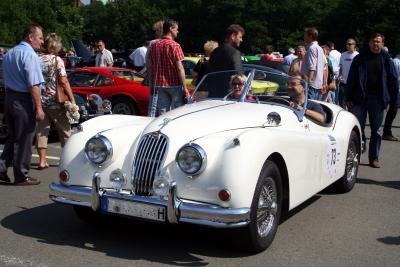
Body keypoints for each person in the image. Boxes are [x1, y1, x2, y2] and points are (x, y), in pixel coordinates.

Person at [0, 24, 45, 185]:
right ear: (30, 37)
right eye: (40, 38)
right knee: (25, 138)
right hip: (22, 100)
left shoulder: (9, 54)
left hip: (9, 98)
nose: (42, 42)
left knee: (13, 137)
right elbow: (33, 84)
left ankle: (2, 168)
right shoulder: (30, 55)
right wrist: (39, 108)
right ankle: (21, 175)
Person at [346, 33, 399, 168]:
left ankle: (374, 158)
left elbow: (393, 81)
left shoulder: (387, 60)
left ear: (382, 44)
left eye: (378, 42)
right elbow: (351, 78)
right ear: (369, 43)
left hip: (378, 99)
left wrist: (394, 102)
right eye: (374, 41)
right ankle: (357, 151)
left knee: (376, 131)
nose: (376, 44)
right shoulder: (360, 58)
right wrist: (349, 97)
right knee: (358, 127)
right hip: (360, 98)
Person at [36, 33, 77, 170]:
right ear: (54, 47)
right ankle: (67, 161)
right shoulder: (56, 60)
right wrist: (72, 99)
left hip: (40, 101)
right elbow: (64, 81)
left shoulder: (37, 59)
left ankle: (42, 161)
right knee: (65, 131)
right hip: (55, 102)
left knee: (42, 131)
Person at [147, 19, 189, 116]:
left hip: (159, 84)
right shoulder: (175, 46)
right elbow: (180, 68)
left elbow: (151, 66)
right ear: (171, 29)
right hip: (174, 84)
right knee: (177, 112)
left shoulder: (154, 45)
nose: (178, 31)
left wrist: (152, 82)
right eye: (176, 29)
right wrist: (185, 88)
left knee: (162, 112)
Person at [207, 24, 245, 98]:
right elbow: (238, 76)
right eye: (240, 37)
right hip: (228, 97)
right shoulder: (235, 53)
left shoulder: (214, 52)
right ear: (233, 36)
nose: (241, 40)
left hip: (212, 95)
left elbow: (209, 73)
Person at [300, 27, 326, 101]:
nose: (304, 37)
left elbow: (312, 68)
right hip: (318, 85)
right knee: (316, 108)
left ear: (310, 36)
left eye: (305, 35)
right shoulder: (320, 48)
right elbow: (324, 66)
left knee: (309, 108)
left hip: (311, 86)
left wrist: (307, 83)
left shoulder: (312, 49)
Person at [382, 51, 400, 141]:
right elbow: (394, 77)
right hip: (395, 90)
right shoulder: (396, 61)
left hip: (396, 90)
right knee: (393, 110)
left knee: (394, 110)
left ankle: (387, 131)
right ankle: (386, 132)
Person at [339, 38, 359, 108]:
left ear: (354, 45)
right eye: (347, 44)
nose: (348, 46)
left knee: (351, 104)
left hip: (353, 84)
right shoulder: (343, 55)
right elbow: (341, 67)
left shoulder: (357, 55)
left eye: (350, 44)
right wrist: (340, 75)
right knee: (341, 102)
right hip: (343, 83)